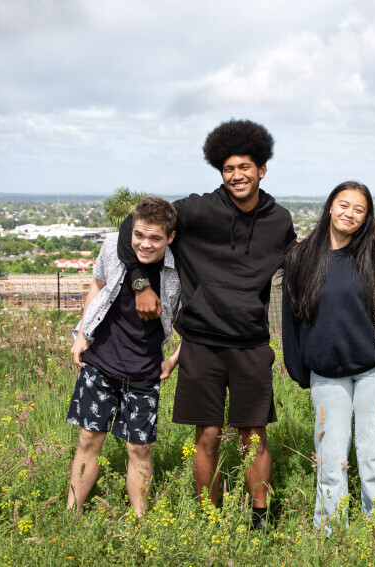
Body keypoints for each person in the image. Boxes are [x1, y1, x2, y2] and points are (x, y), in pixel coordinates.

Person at [117, 119, 296, 530]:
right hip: (200, 342)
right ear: (221, 171)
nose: (237, 175)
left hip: (251, 343)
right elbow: (135, 225)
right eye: (229, 168)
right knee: (208, 435)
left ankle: (260, 518)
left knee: (255, 437)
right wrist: (141, 284)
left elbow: (299, 268)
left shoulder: (279, 220)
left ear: (262, 170)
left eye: (245, 167)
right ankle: (208, 520)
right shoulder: (197, 210)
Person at [281, 181, 375, 530]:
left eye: (359, 210)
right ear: (330, 206)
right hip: (326, 374)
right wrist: (300, 370)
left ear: (366, 218)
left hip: (373, 372)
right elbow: (291, 319)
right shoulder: (300, 257)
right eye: (344, 205)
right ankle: (331, 535)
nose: (350, 214)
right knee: (331, 461)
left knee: (374, 459)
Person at [66, 196, 181, 516]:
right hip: (101, 361)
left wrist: (175, 358)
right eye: (139, 235)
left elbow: (200, 318)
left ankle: (141, 521)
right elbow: (97, 286)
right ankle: (70, 516)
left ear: (170, 238)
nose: (145, 244)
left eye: (156, 238)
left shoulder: (178, 266)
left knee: (140, 448)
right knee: (89, 441)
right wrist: (81, 335)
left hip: (146, 370)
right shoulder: (113, 247)